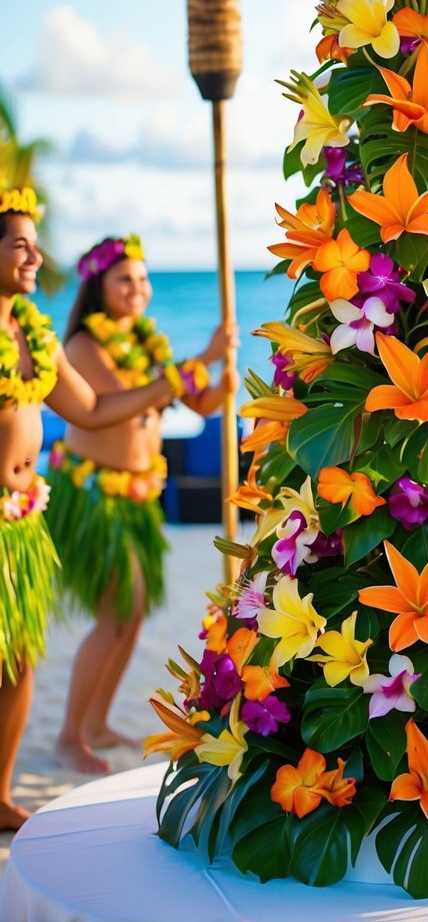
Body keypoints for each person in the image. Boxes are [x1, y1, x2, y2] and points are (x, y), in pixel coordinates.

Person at [0, 194, 196, 830]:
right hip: (31, 506)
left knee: (21, 658)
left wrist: (182, 379)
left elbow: (87, 409)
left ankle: (0, 794)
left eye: (36, 243)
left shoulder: (31, 330)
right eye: (20, 244)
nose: (37, 255)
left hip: (23, 515)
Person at [45, 235, 238, 775]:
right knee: (115, 616)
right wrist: (199, 358)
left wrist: (223, 374)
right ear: (98, 288)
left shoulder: (147, 344)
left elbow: (195, 401)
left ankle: (97, 723)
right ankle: (66, 737)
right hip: (93, 498)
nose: (138, 289)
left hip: (136, 498)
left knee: (128, 621)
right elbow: (119, 406)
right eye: (124, 279)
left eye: (143, 278)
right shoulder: (86, 345)